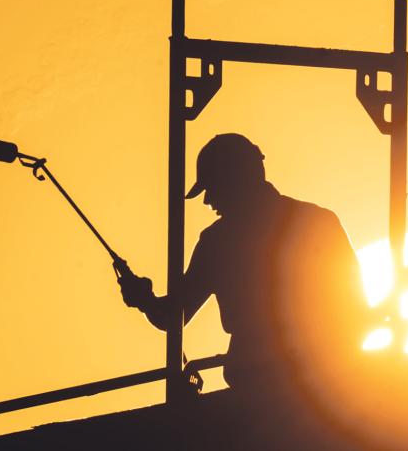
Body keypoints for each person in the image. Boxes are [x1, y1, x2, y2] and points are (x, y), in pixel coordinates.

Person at [117, 133, 368, 399]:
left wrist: (144, 300)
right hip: (327, 384)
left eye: (211, 188)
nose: (207, 201)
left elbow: (173, 317)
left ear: (233, 182)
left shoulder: (218, 242)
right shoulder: (318, 221)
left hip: (256, 390)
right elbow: (356, 310)